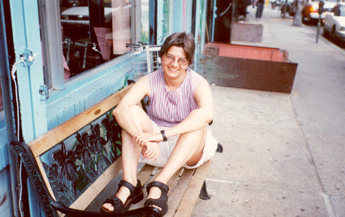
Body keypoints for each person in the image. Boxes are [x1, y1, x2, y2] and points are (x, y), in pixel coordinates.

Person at [100, 32, 218, 215]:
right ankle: (130, 184)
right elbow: (120, 110)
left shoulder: (197, 83)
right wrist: (145, 140)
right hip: (153, 148)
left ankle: (159, 184)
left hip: (188, 151)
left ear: (188, 63)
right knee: (130, 111)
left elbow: (207, 114)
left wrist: (160, 136)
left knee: (198, 121)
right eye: (170, 57)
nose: (174, 64)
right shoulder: (149, 80)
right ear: (161, 55)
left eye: (182, 60)